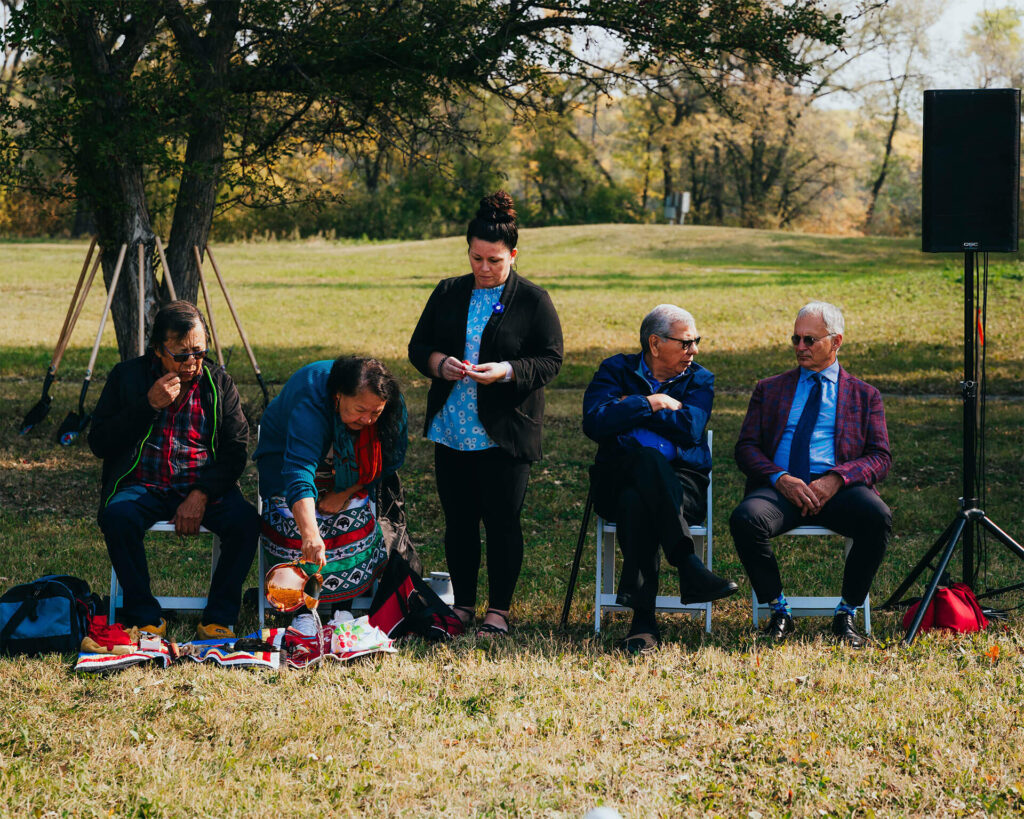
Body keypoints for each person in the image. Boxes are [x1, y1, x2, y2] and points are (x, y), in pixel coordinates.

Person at [408, 191, 563, 637]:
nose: (484, 268)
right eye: (477, 258)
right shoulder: (448, 292)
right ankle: (463, 607)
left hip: (504, 432)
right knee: (458, 523)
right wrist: (440, 364)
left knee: (501, 522)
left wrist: (508, 371)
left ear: (513, 255)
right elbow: (419, 348)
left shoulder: (533, 300)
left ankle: (499, 610)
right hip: (452, 427)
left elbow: (551, 360)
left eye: (494, 260)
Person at [89, 300, 259, 639]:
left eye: (199, 351)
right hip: (143, 484)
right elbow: (100, 442)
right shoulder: (127, 377)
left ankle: (219, 617)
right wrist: (148, 404)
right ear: (158, 350)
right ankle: (144, 615)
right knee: (117, 519)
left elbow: (236, 449)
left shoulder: (218, 383)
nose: (192, 363)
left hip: (202, 486)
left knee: (246, 522)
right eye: (181, 354)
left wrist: (201, 493)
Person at [730, 301, 892, 648]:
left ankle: (845, 613)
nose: (800, 348)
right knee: (746, 518)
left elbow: (880, 457)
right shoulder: (770, 388)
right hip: (781, 488)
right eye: (796, 339)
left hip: (838, 489)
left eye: (810, 340)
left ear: (836, 342)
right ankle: (779, 610)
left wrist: (837, 478)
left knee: (877, 516)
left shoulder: (865, 395)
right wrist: (780, 478)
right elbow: (746, 448)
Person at [582, 304, 738, 654]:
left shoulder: (699, 378)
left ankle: (643, 624)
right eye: (686, 343)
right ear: (655, 344)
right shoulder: (614, 369)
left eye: (696, 341)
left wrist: (627, 408)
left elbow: (691, 427)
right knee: (645, 463)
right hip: (615, 480)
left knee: (640, 499)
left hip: (683, 485)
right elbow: (595, 423)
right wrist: (652, 403)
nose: (694, 350)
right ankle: (688, 564)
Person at [252, 356, 407, 626]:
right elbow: (298, 472)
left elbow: (390, 460)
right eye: (360, 409)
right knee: (291, 521)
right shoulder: (311, 401)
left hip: (350, 476)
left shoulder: (390, 404)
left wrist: (345, 492)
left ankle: (342, 608)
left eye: (375, 413)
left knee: (352, 516)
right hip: (285, 466)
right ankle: (300, 610)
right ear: (337, 397)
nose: (368, 419)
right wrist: (310, 534)